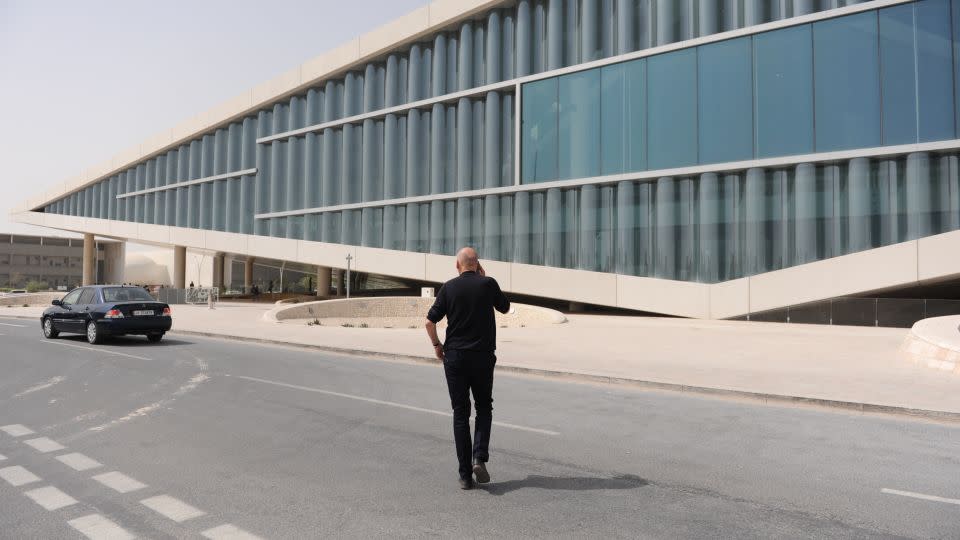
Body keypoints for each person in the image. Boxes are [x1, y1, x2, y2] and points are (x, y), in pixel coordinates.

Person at [425, 247, 510, 490]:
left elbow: (429, 322)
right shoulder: (488, 284)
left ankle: (464, 476)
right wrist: (484, 279)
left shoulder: (448, 287)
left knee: (460, 413)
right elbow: (505, 307)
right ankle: (478, 458)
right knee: (484, 407)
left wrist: (437, 346)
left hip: (455, 358)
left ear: (457, 265)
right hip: (482, 357)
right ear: (477, 264)